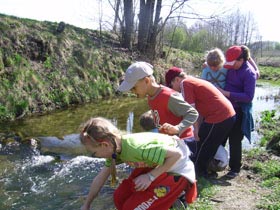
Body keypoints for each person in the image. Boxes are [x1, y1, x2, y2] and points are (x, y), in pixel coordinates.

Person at [79, 117, 197, 210]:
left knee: (130, 208)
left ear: (104, 144)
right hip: (156, 164)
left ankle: (176, 197)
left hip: (176, 170)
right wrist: (86, 204)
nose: (95, 156)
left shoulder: (136, 148)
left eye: (94, 153)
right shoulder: (114, 148)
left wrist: (150, 177)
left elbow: (177, 155)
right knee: (119, 198)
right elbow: (100, 178)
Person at [165, 67, 236, 177]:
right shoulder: (194, 80)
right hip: (228, 114)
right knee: (209, 144)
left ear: (177, 80)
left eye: (171, 85)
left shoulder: (185, 83)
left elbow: (191, 111)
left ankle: (199, 173)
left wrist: (196, 130)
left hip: (218, 115)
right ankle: (209, 170)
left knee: (202, 145)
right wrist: (197, 128)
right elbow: (199, 111)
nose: (172, 90)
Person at [118, 61, 198, 141]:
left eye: (134, 88)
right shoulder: (151, 97)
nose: (132, 92)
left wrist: (178, 128)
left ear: (147, 81)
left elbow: (192, 113)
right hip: (169, 141)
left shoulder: (168, 97)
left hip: (184, 141)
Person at [219, 45, 257, 178]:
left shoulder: (249, 73)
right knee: (220, 136)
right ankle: (216, 163)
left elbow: (248, 97)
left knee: (235, 139)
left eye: (233, 63)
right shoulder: (231, 68)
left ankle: (234, 169)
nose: (230, 66)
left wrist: (226, 93)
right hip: (225, 108)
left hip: (239, 110)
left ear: (241, 60)